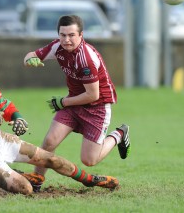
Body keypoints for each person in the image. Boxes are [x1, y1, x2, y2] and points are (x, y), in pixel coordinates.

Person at [0, 53, 120, 195]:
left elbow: (7, 108)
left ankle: (89, 180)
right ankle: (22, 177)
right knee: (25, 189)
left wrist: (18, 118)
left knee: (52, 159)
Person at [23, 15, 131, 190]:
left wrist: (63, 102)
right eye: (63, 35)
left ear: (81, 35)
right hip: (73, 103)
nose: (66, 40)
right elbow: (31, 55)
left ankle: (119, 134)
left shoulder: (85, 59)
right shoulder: (57, 47)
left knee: (89, 160)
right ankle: (37, 180)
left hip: (97, 107)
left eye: (71, 35)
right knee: (50, 141)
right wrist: (30, 60)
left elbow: (92, 95)